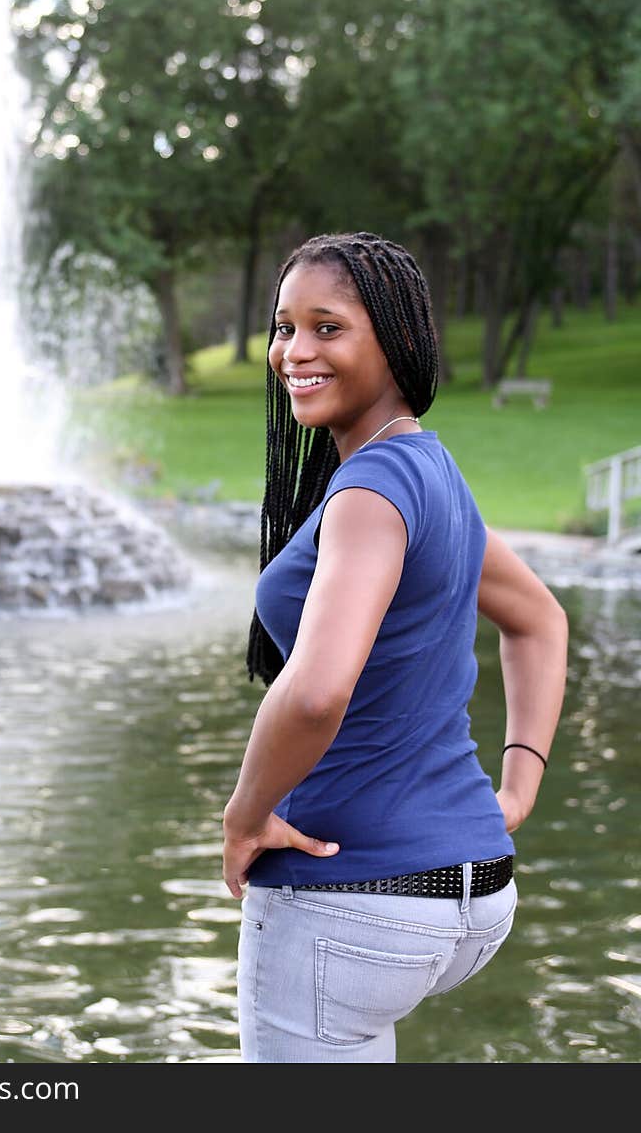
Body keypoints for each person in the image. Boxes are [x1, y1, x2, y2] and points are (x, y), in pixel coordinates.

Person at [222, 230, 568, 1063]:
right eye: (283, 327)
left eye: (327, 327)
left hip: (349, 901)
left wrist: (243, 817)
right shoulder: (429, 471)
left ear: (396, 340)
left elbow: (314, 692)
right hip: (471, 893)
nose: (294, 351)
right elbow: (539, 620)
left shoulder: (371, 491)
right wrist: (515, 789)